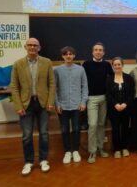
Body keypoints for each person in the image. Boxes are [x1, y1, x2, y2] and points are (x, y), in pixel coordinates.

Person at [10, 37, 55, 176]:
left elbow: (52, 84)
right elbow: (14, 86)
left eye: (35, 45)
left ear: (39, 48)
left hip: (42, 104)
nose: (32, 47)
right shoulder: (18, 64)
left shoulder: (47, 62)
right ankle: (28, 162)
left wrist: (50, 102)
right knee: (27, 136)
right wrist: (18, 105)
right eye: (30, 45)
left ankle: (43, 160)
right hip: (26, 104)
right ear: (25, 47)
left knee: (44, 134)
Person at [54, 46, 88, 164]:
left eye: (70, 54)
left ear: (74, 55)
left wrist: (83, 102)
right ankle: (67, 151)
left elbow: (84, 87)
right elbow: (54, 89)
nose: (68, 56)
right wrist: (57, 104)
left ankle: (75, 151)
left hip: (77, 105)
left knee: (76, 128)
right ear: (62, 56)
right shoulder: (57, 70)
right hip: (62, 106)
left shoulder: (80, 69)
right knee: (64, 129)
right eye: (66, 54)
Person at [82, 42, 113, 163]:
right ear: (92, 52)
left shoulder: (106, 65)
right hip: (91, 99)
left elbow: (111, 80)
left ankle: (101, 148)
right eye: (96, 50)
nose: (98, 52)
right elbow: (83, 82)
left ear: (103, 52)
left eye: (100, 50)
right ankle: (92, 151)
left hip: (104, 98)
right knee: (93, 124)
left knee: (101, 124)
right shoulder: (86, 64)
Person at [106, 57, 135, 158]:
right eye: (115, 65)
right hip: (114, 109)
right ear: (113, 66)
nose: (117, 66)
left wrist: (125, 104)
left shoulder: (129, 78)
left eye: (119, 64)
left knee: (125, 128)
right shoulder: (109, 78)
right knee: (115, 129)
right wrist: (116, 105)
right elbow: (108, 94)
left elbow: (132, 93)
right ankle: (117, 149)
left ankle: (124, 147)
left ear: (122, 65)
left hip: (126, 109)